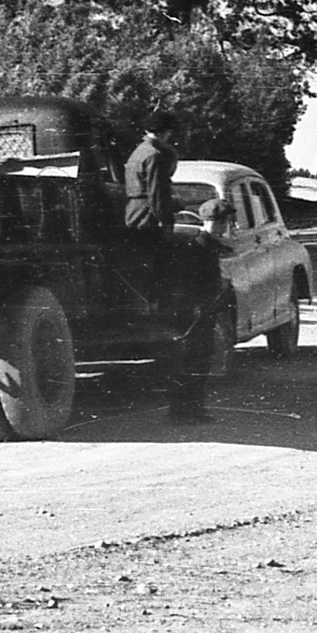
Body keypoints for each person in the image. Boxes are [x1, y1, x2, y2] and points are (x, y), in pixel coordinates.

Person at [165, 197, 236, 424]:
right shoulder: (198, 247)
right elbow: (190, 282)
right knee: (193, 362)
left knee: (197, 362)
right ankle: (185, 410)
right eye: (222, 222)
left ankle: (192, 409)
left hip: (202, 311)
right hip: (196, 313)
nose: (223, 227)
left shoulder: (204, 244)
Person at [124, 111, 180, 234]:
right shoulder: (154, 155)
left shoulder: (139, 151)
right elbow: (156, 193)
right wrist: (165, 220)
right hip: (149, 217)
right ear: (166, 132)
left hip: (134, 214)